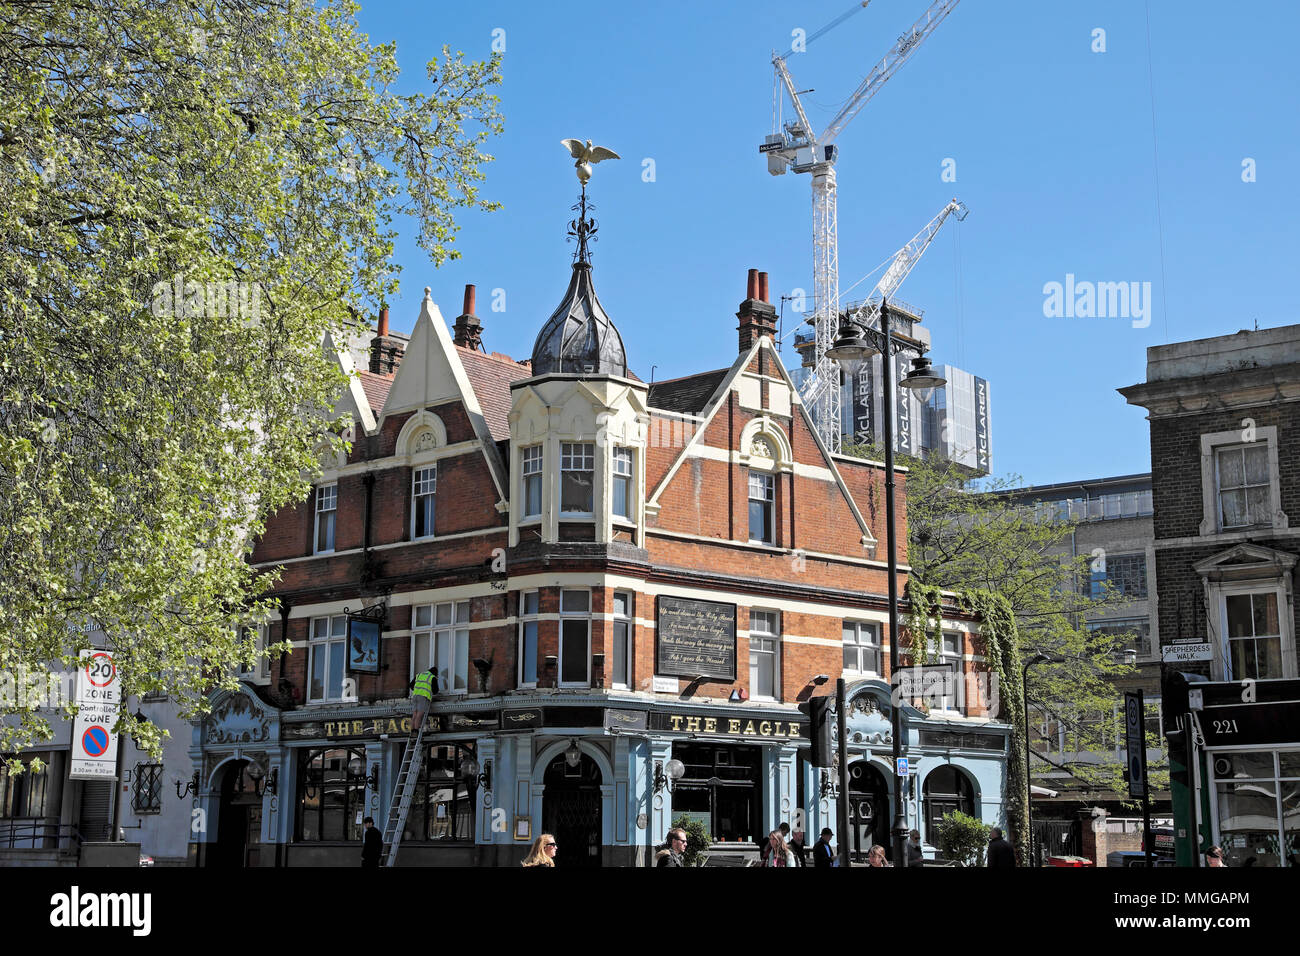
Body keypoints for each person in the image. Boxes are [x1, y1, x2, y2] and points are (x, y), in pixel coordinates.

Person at [408, 666, 436, 737]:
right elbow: (435, 690)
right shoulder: (432, 677)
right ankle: (416, 731)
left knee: (414, 714)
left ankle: (412, 731)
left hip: (415, 696)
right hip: (423, 697)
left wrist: (418, 690)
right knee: (419, 714)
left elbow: (411, 685)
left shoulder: (419, 675)